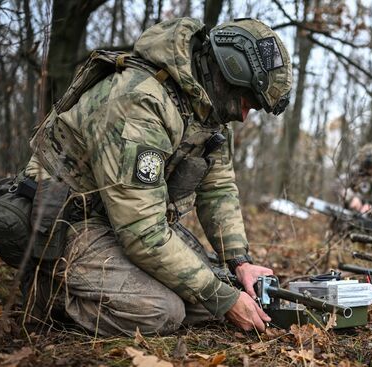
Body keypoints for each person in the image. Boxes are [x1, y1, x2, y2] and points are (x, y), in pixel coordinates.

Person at [22, 17, 292, 336]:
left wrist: (240, 262)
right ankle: (47, 291)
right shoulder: (139, 100)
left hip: (120, 224)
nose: (244, 117)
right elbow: (143, 232)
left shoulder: (207, 115)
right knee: (163, 310)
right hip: (68, 223)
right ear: (226, 75)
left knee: (217, 288)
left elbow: (218, 189)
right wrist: (224, 299)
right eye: (246, 103)